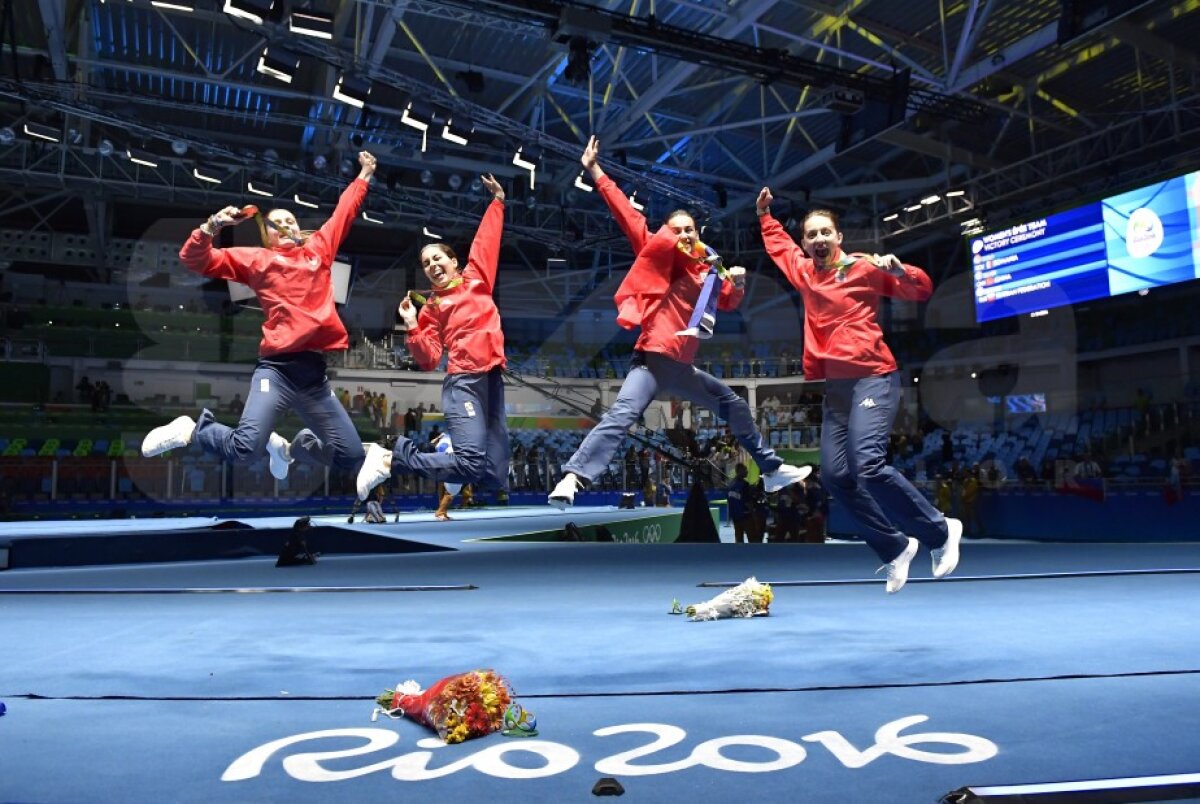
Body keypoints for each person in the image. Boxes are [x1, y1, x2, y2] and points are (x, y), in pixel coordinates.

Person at [548, 136, 808, 507]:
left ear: (698, 234)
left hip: (683, 368)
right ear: (667, 235)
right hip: (653, 361)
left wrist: (738, 283)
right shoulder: (661, 255)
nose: (684, 234)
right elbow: (628, 215)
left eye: (690, 229)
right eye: (677, 230)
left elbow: (728, 304)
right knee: (623, 413)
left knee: (733, 404)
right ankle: (572, 478)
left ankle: (769, 469)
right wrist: (595, 172)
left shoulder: (707, 269)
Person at [756, 186, 961, 593]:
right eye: (811, 235)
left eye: (825, 233)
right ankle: (895, 548)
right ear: (805, 242)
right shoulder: (803, 272)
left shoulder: (862, 269)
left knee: (867, 465)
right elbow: (779, 248)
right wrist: (765, 215)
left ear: (839, 237)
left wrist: (901, 271)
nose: (818, 240)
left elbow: (919, 290)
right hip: (837, 388)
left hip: (874, 376)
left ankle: (941, 531)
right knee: (834, 477)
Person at [141, 151, 379, 485]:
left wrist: (364, 174)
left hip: (314, 378)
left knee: (351, 455)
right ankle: (193, 430)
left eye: (291, 221)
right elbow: (194, 259)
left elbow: (345, 211)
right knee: (245, 448)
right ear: (266, 236)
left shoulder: (319, 250)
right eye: (276, 224)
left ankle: (293, 448)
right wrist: (212, 226)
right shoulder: (256, 259)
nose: (286, 225)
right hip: (277, 371)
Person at [356, 174, 510, 500]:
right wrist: (412, 323)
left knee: (495, 475)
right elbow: (427, 360)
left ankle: (445, 446)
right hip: (463, 383)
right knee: (469, 466)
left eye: (437, 258)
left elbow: (486, 242)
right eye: (426, 263)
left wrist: (498, 202)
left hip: (493, 381)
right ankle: (390, 457)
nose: (432, 265)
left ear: (454, 261)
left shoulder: (476, 278)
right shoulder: (431, 308)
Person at [726, 463, 759, 544]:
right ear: (740, 471)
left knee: (739, 540)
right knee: (753, 539)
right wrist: (754, 516)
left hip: (735, 516)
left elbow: (729, 501)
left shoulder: (730, 484)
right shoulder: (744, 485)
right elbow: (748, 502)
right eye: (745, 470)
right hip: (746, 516)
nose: (747, 472)